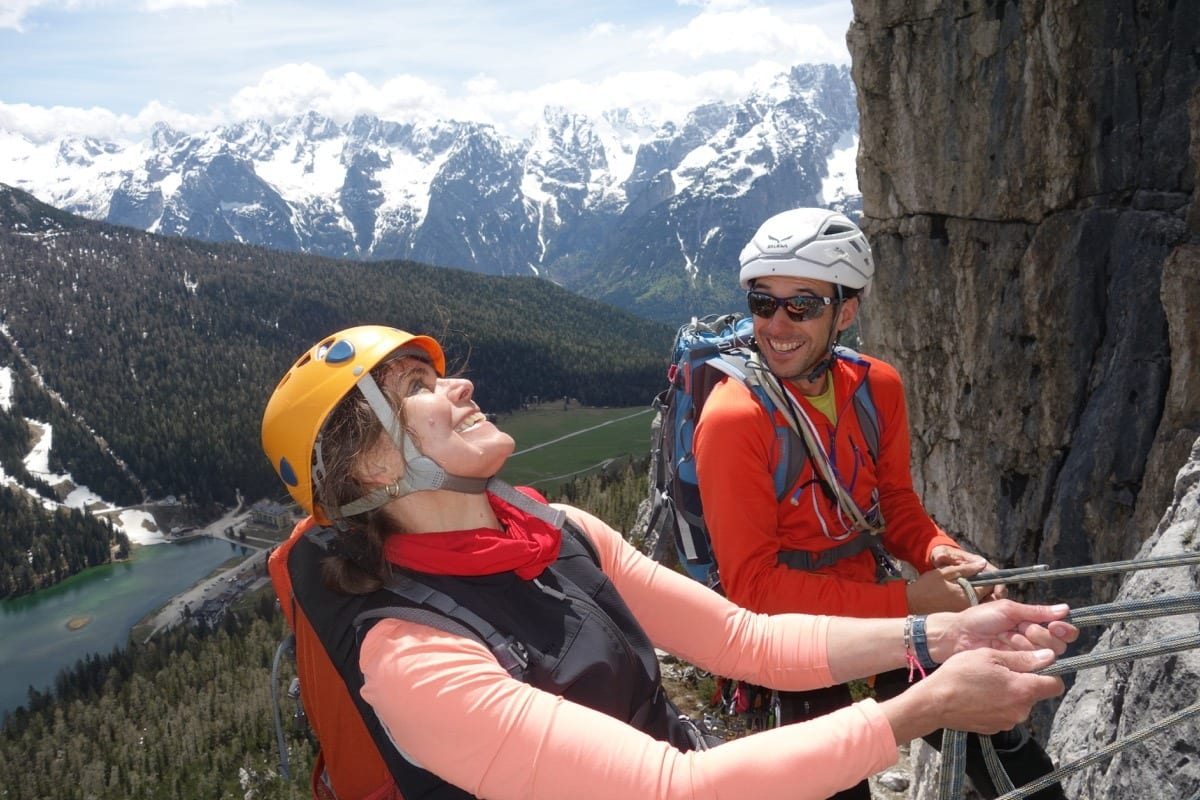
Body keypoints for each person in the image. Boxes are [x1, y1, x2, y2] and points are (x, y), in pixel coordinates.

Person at [260, 324, 1077, 800]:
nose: (462, 385)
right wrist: (923, 708)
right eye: (416, 386)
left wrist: (935, 634)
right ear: (368, 467)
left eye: (439, 371)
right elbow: (671, 791)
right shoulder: (409, 655)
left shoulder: (556, 531)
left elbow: (745, 640)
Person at [693, 208, 1066, 798]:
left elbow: (893, 505)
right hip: (790, 635)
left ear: (846, 310)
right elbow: (754, 590)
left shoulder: (876, 386)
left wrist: (941, 553)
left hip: (877, 603)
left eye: (803, 304)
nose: (778, 324)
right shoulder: (735, 420)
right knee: (838, 786)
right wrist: (909, 600)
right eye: (764, 303)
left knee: (1004, 752)